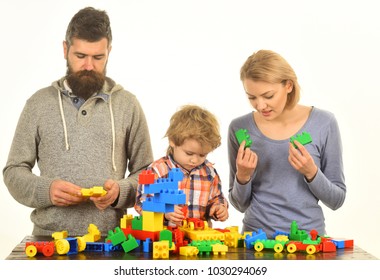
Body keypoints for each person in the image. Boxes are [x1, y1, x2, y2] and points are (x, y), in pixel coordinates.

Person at [3, 7, 154, 236]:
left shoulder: (128, 104)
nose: (89, 66)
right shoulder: (38, 103)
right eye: (81, 56)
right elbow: (13, 172)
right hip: (48, 239)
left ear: (109, 52)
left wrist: (120, 192)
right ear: (65, 49)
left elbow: (147, 173)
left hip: (112, 240)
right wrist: (47, 190)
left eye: (98, 57)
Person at [228, 50, 346, 237]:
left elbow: (337, 200)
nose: (260, 106)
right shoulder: (239, 127)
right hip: (255, 240)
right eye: (252, 97)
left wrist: (311, 172)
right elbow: (239, 204)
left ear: (288, 86)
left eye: (268, 96)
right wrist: (243, 176)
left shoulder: (324, 123)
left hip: (307, 241)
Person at [135, 104, 228, 226]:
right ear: (172, 141)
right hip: (166, 239)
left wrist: (218, 208)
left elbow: (217, 198)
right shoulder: (157, 170)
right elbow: (142, 203)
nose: (195, 160)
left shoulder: (209, 172)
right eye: (189, 153)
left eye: (202, 155)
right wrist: (165, 213)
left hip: (198, 240)